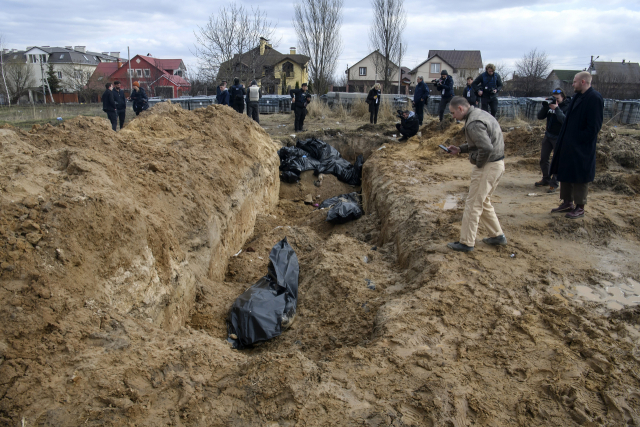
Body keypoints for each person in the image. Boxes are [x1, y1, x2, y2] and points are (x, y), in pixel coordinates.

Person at [445, 96, 506, 252]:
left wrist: (479, 164)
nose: (453, 117)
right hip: (497, 164)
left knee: (473, 205)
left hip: (488, 166)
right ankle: (497, 235)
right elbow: (481, 141)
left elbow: (486, 148)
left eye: (453, 113)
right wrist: (460, 149)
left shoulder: (473, 123)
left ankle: (466, 242)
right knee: (483, 201)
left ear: (460, 108)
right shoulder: (480, 114)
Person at [549, 72, 604, 219]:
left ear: (583, 82)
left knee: (580, 176)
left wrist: (578, 140)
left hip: (582, 147)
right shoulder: (577, 97)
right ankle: (567, 202)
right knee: (566, 172)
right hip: (568, 144)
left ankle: (580, 206)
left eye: (574, 82)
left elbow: (594, 127)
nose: (572, 84)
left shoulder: (594, 98)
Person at [535, 88, 571, 193]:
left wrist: (557, 109)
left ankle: (554, 183)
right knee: (544, 158)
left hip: (560, 137)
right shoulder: (550, 105)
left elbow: (564, 121)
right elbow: (539, 117)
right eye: (553, 98)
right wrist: (545, 107)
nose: (555, 100)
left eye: (557, 98)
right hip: (548, 135)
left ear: (563, 97)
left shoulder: (567, 106)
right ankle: (546, 179)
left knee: (557, 161)